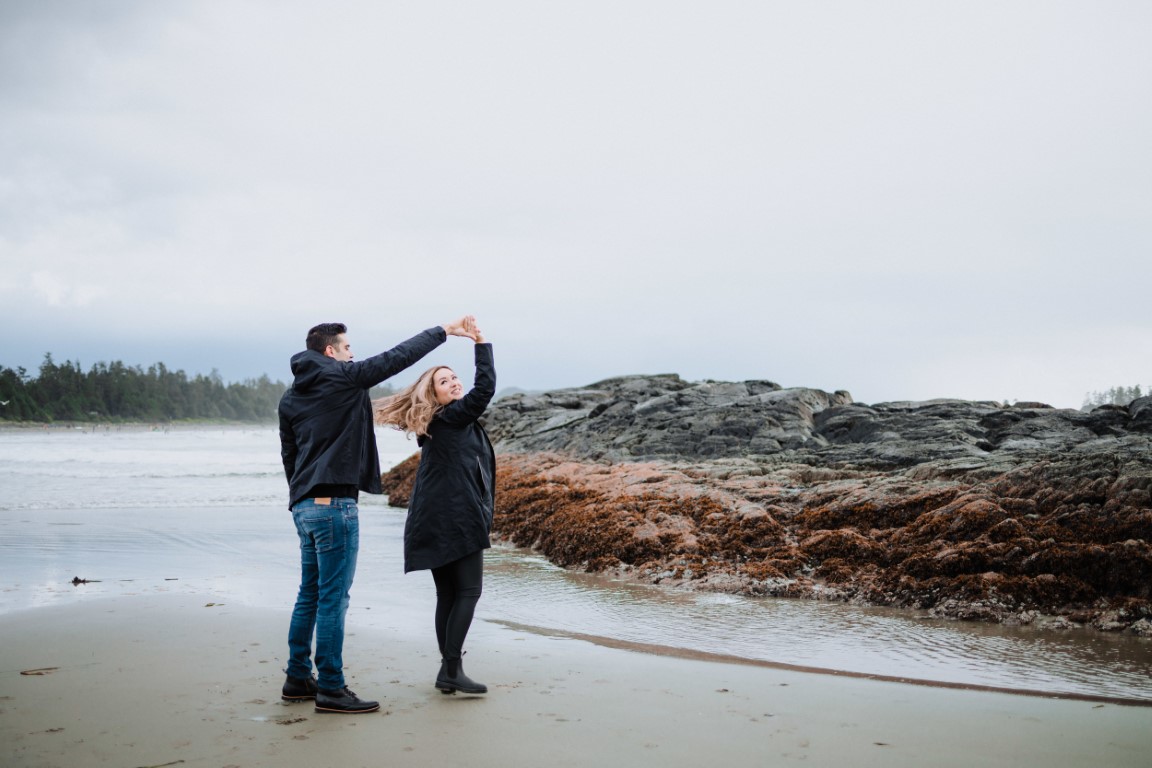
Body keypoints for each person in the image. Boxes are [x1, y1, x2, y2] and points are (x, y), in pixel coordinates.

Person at [278, 316, 479, 714]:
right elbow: (396, 358)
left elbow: (290, 453)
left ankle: (298, 677)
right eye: (348, 348)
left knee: (309, 594)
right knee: (333, 598)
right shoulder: (343, 377)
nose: (353, 355)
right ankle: (331, 688)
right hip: (335, 506)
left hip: (304, 506)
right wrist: (445, 331)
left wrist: (301, 495)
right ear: (330, 351)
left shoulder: (290, 397)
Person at [374, 323, 495, 695]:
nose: (455, 383)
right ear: (434, 395)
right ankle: (451, 669)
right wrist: (481, 343)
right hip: (455, 519)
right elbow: (485, 389)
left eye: (454, 377)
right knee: (468, 592)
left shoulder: (437, 425)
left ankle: (448, 670)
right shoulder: (452, 418)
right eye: (445, 382)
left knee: (448, 595)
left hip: (433, 518)